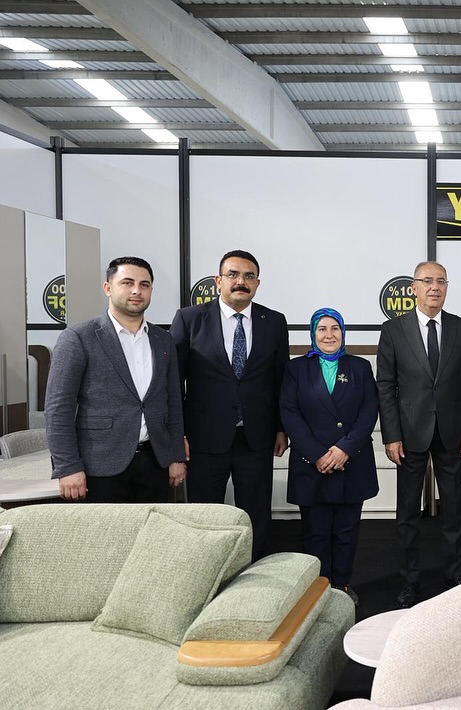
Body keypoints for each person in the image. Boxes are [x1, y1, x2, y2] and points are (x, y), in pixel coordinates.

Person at [171, 249, 290, 561]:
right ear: (218, 280)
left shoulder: (274, 322)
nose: (241, 282)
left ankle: (255, 572)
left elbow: (280, 380)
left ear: (257, 283)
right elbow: (173, 383)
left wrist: (281, 428)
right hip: (203, 439)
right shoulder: (189, 319)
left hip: (257, 438)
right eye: (233, 275)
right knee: (204, 515)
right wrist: (177, 434)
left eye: (249, 276)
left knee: (256, 514)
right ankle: (204, 570)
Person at [377, 261, 461, 608]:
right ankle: (410, 580)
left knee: (454, 508)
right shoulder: (393, 330)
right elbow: (385, 386)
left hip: (452, 432)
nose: (435, 287)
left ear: (446, 287)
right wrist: (391, 435)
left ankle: (454, 575)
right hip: (408, 434)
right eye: (427, 281)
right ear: (414, 288)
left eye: (441, 281)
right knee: (408, 512)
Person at [45, 257, 186, 502]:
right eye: (127, 283)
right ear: (108, 288)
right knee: (105, 529)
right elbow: (58, 408)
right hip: (100, 466)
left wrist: (176, 456)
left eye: (144, 285)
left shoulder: (163, 340)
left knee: (153, 527)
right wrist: (67, 466)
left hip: (155, 463)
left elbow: (173, 402)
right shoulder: (79, 337)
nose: (136, 290)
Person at [280, 308, 379, 606]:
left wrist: (343, 449)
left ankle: (342, 586)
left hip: (352, 461)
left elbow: (369, 411)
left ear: (343, 333)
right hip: (312, 464)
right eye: (322, 329)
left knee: (347, 531)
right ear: (313, 334)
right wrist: (318, 454)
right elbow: (289, 412)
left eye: (335, 328)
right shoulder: (296, 369)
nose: (329, 335)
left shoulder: (360, 367)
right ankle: (318, 590)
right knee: (316, 532)